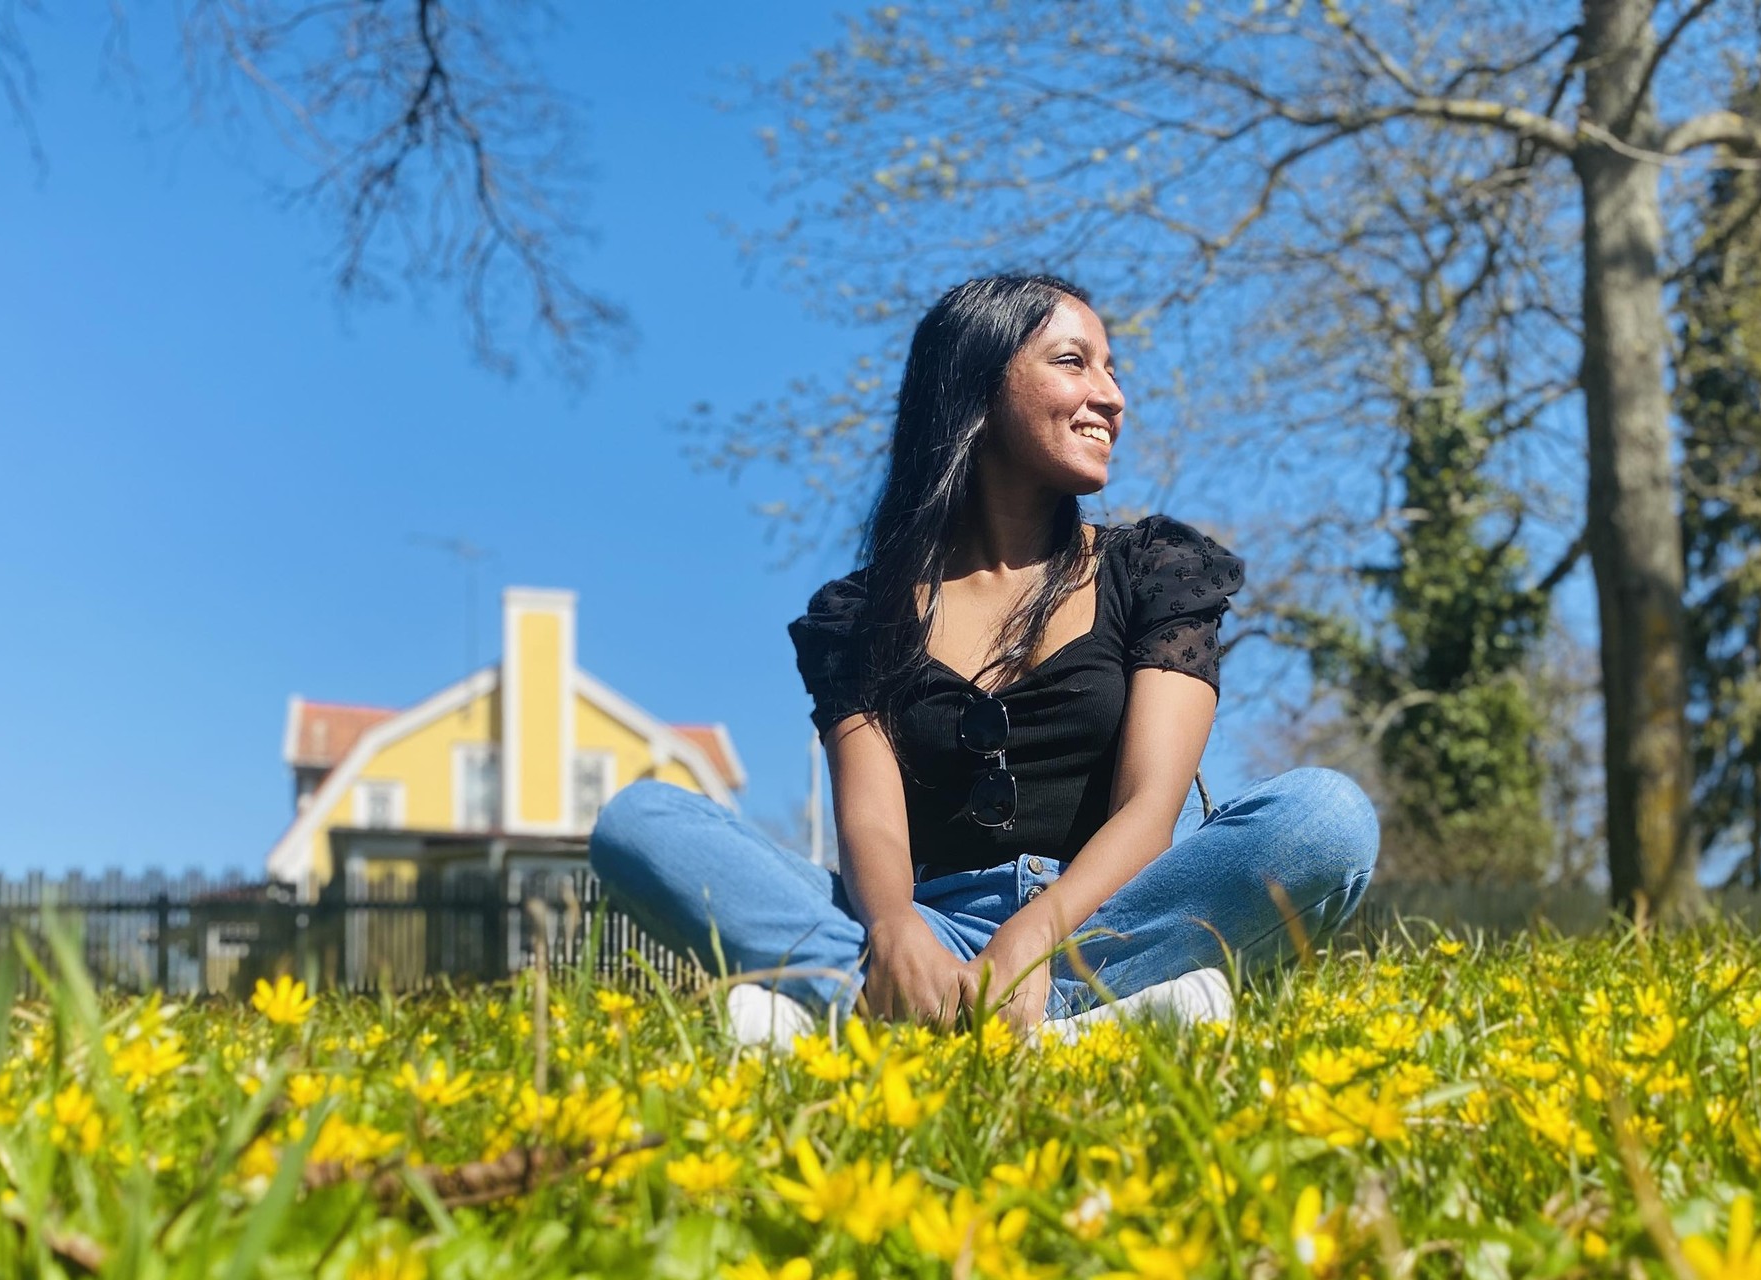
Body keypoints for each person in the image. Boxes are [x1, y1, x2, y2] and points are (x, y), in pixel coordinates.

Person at [590, 272, 1378, 1045]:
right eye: (1075, 362)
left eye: (1112, 368)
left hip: (1102, 923)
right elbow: (872, 823)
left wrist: (1032, 938)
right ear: (977, 384)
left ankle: (864, 1021)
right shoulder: (860, 615)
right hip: (924, 925)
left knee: (1326, 818)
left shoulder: (1157, 570)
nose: (1112, 395)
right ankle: (1073, 1025)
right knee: (641, 822)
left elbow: (1149, 810)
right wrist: (897, 932)